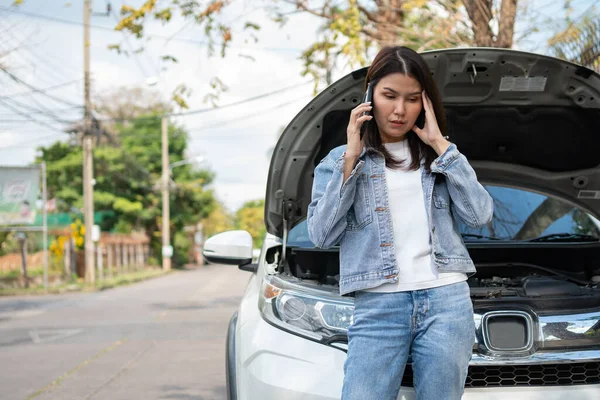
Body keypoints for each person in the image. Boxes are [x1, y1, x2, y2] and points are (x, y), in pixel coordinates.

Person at [307, 46, 494, 400]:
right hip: (379, 304)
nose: (398, 110)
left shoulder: (440, 157)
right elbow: (321, 234)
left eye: (411, 99)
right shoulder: (341, 160)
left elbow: (480, 215)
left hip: (446, 300)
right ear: (369, 96)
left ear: (425, 104)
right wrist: (351, 156)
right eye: (389, 96)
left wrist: (441, 145)